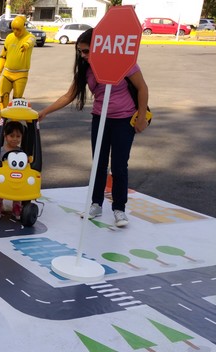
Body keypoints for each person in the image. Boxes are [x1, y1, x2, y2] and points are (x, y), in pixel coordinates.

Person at [38, 28, 149, 228]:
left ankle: (119, 209)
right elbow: (68, 95)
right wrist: (45, 111)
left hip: (124, 121)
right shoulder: (86, 69)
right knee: (98, 163)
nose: (83, 55)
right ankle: (95, 204)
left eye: (87, 51)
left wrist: (141, 117)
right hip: (100, 119)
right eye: (80, 51)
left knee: (119, 166)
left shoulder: (124, 63)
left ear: (100, 47)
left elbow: (142, 87)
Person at [0, 15, 35, 111]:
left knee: (16, 100)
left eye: (18, 29)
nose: (16, 32)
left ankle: (14, 121)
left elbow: (32, 41)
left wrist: (26, 45)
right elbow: (3, 56)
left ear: (24, 27)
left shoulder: (29, 37)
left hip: (21, 75)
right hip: (7, 73)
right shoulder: (9, 37)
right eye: (13, 29)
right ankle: (2, 118)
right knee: (2, 97)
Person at [0, 121, 24, 218]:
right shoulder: (0, 151)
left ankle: (17, 205)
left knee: (19, 188)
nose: (15, 139)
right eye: (12, 136)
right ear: (5, 136)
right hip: (3, 177)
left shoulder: (21, 153)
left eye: (18, 136)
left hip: (17, 178)